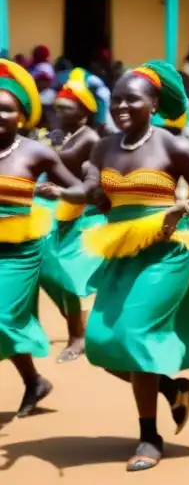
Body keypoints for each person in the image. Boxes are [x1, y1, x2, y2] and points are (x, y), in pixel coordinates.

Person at [59, 60, 189, 471]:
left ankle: (149, 436)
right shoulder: (104, 147)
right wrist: (68, 192)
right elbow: (98, 196)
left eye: (132, 99)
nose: (122, 106)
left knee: (135, 335)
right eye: (117, 99)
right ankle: (171, 387)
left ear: (153, 103)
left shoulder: (173, 146)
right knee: (103, 343)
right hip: (121, 253)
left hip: (165, 255)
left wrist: (187, 206)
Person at [0, 59, 82, 415]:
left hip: (21, 252)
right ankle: (34, 381)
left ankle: (38, 375)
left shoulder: (37, 152)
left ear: (21, 116)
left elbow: (80, 188)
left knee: (2, 319)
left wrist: (59, 194)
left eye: (5, 109)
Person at [34, 67, 107, 363]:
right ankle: (78, 323)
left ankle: (77, 337)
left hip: (83, 212)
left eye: (68, 107)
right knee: (48, 269)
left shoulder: (89, 139)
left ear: (85, 112)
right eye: (59, 107)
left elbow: (86, 176)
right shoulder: (63, 134)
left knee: (67, 271)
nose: (61, 110)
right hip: (58, 210)